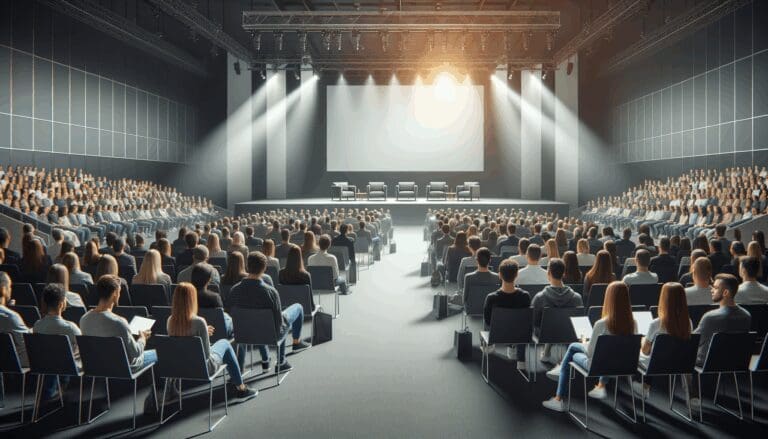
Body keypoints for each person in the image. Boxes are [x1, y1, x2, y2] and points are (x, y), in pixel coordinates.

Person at [542, 281, 637, 411]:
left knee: (573, 349)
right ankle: (600, 385)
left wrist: (585, 343)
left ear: (608, 299)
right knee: (611, 351)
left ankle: (558, 398)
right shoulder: (634, 323)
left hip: (597, 366)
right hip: (623, 365)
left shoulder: (602, 324)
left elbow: (590, 353)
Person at [166, 283, 257, 398]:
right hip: (204, 368)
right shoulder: (199, 322)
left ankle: (172, 388)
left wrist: (203, 332)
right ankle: (241, 388)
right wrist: (204, 333)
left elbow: (183, 342)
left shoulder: (170, 321)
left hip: (182, 366)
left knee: (223, 345)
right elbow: (206, 354)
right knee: (225, 343)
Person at [227, 252, 310, 373]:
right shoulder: (271, 292)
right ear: (264, 268)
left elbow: (231, 314)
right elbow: (278, 324)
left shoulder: (234, 290)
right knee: (297, 308)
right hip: (270, 334)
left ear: (247, 266)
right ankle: (283, 359)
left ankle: (268, 360)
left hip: (243, 334)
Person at [689, 274, 752, 407]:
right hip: (736, 362)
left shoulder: (710, 317)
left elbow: (693, 341)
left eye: (716, 287)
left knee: (686, 353)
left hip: (708, 363)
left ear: (726, 292)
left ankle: (693, 395)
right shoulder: (747, 316)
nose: (711, 289)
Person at [80, 275, 156, 369]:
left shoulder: (84, 319)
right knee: (157, 353)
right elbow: (136, 352)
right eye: (119, 292)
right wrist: (142, 338)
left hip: (97, 365)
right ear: (115, 293)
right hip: (122, 367)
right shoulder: (119, 322)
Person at [632, 282, 691, 399]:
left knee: (637, 351)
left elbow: (645, 351)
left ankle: (644, 387)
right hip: (680, 363)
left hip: (657, 365)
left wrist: (642, 340)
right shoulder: (688, 322)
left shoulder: (656, 324)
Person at [34, 283, 82, 401]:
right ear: (61, 304)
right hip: (67, 367)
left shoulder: (37, 325)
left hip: (44, 366)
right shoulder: (71, 327)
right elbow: (83, 347)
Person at [531, 259, 583, 363]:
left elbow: (533, 321)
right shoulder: (577, 298)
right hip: (570, 334)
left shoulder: (540, 297)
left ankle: (546, 352)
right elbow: (580, 324)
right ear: (563, 273)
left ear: (549, 273)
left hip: (545, 335)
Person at [483, 260, 531, 370]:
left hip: (498, 334)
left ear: (499, 275)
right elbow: (526, 319)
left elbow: (487, 320)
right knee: (522, 325)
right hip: (520, 335)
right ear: (517, 275)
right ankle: (521, 360)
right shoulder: (525, 296)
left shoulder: (491, 298)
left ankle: (489, 346)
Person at [0, 272, 29, 367]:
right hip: (10, 365)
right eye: (9, 286)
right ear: (3, 289)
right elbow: (26, 344)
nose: (10, 289)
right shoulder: (11, 317)